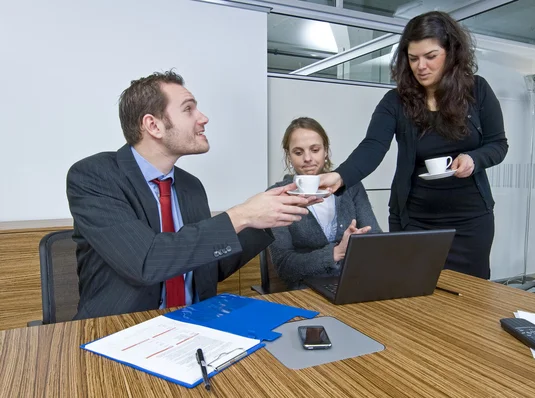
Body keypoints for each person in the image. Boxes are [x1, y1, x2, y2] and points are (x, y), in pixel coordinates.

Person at [66, 71, 317, 319]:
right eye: (188, 109)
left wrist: (271, 217)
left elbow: (206, 267)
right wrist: (241, 214)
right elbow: (146, 262)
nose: (203, 118)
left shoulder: (191, 186)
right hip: (118, 331)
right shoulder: (94, 176)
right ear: (153, 125)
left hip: (194, 325)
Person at [319, 11, 508, 279]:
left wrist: (474, 159)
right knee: (412, 297)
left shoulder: (477, 91)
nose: (421, 66)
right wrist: (340, 176)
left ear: (451, 53)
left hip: (470, 223)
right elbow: (372, 147)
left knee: (469, 302)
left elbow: (498, 144)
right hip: (414, 222)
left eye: (431, 56)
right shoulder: (395, 102)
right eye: (413, 58)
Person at [268, 117, 381, 287]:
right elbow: (285, 267)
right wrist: (336, 253)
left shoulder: (350, 186)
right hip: (305, 289)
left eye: (315, 150)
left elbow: (375, 239)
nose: (307, 158)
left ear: (326, 151)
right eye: (298, 152)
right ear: (288, 155)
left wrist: (360, 241)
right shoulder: (278, 195)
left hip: (354, 282)